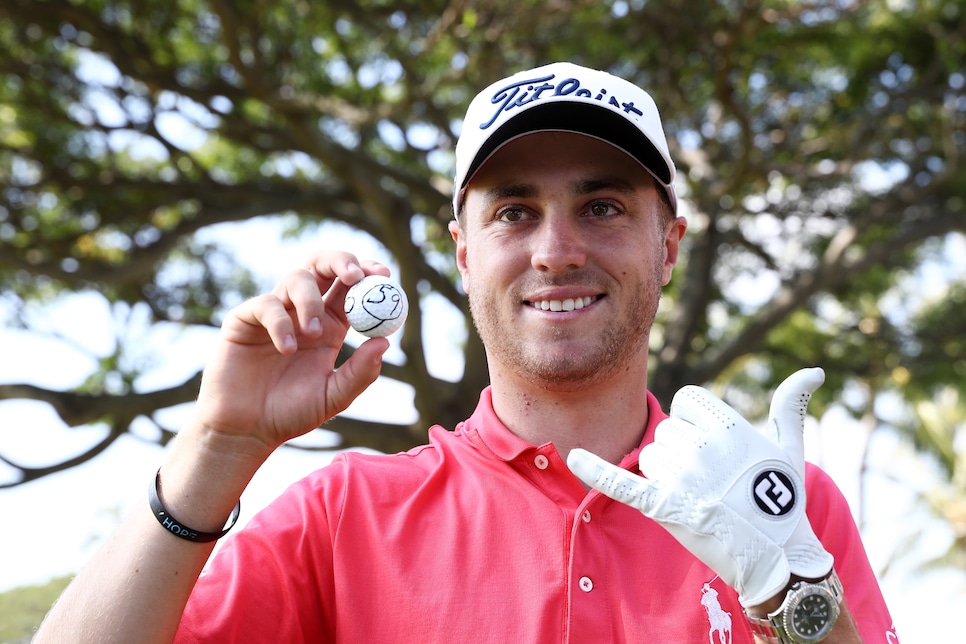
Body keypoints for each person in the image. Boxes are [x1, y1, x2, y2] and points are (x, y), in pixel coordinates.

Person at [36, 62, 899, 643]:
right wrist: (217, 446)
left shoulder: (787, 505)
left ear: (668, 244)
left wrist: (795, 604)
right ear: (462, 251)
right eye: (514, 211)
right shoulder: (345, 515)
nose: (556, 249)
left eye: (601, 206)